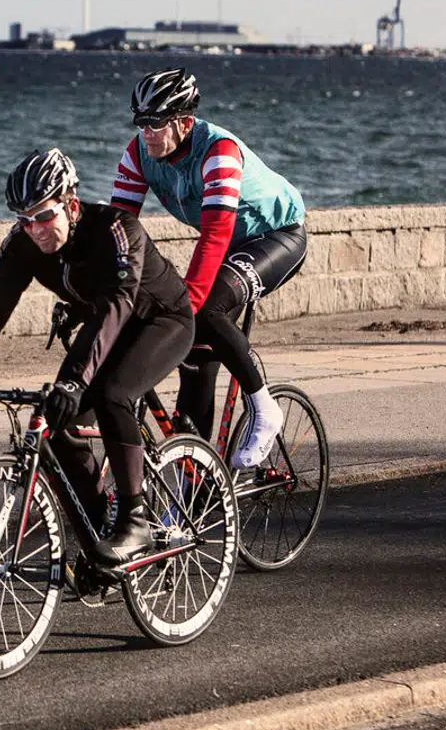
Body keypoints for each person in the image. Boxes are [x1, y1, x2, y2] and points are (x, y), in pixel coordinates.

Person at [0, 149, 194, 565]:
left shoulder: (117, 230)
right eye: (24, 219)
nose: (34, 229)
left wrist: (74, 380)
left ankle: (135, 520)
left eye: (43, 216)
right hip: (103, 326)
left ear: (70, 205)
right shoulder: (24, 244)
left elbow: (116, 305)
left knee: (111, 394)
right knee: (58, 425)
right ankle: (101, 541)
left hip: (160, 321)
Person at [111, 68, 307, 469]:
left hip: (276, 237)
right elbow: (118, 230)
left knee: (205, 309)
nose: (146, 133)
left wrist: (187, 303)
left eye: (156, 123)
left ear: (184, 122)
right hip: (230, 245)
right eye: (140, 122)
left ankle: (264, 407)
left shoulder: (219, 151)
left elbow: (215, 235)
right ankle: (198, 486)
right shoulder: (138, 154)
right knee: (195, 362)